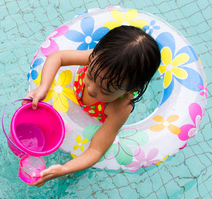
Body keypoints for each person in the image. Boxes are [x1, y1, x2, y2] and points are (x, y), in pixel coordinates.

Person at [24, 26, 161, 186]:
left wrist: (65, 169)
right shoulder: (100, 62)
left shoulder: (120, 107)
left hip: (89, 128)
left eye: (105, 90)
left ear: (131, 89)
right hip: (70, 105)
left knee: (73, 173)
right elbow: (58, 57)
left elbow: (96, 150)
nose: (91, 89)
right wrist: (43, 87)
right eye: (90, 76)